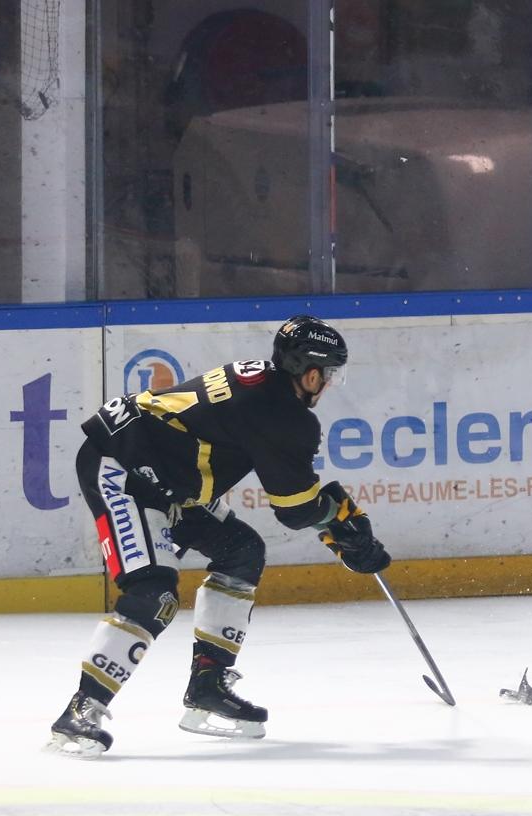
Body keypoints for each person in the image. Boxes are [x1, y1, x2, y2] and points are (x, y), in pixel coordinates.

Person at [47, 315, 390, 756]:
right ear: (310, 374)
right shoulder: (281, 414)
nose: (328, 385)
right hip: (124, 469)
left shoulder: (263, 381)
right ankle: (81, 710)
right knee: (153, 594)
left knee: (241, 551)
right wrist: (343, 523)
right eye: (330, 375)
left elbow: (294, 497)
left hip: (163, 476)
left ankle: (208, 685)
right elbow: (295, 509)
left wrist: (337, 524)